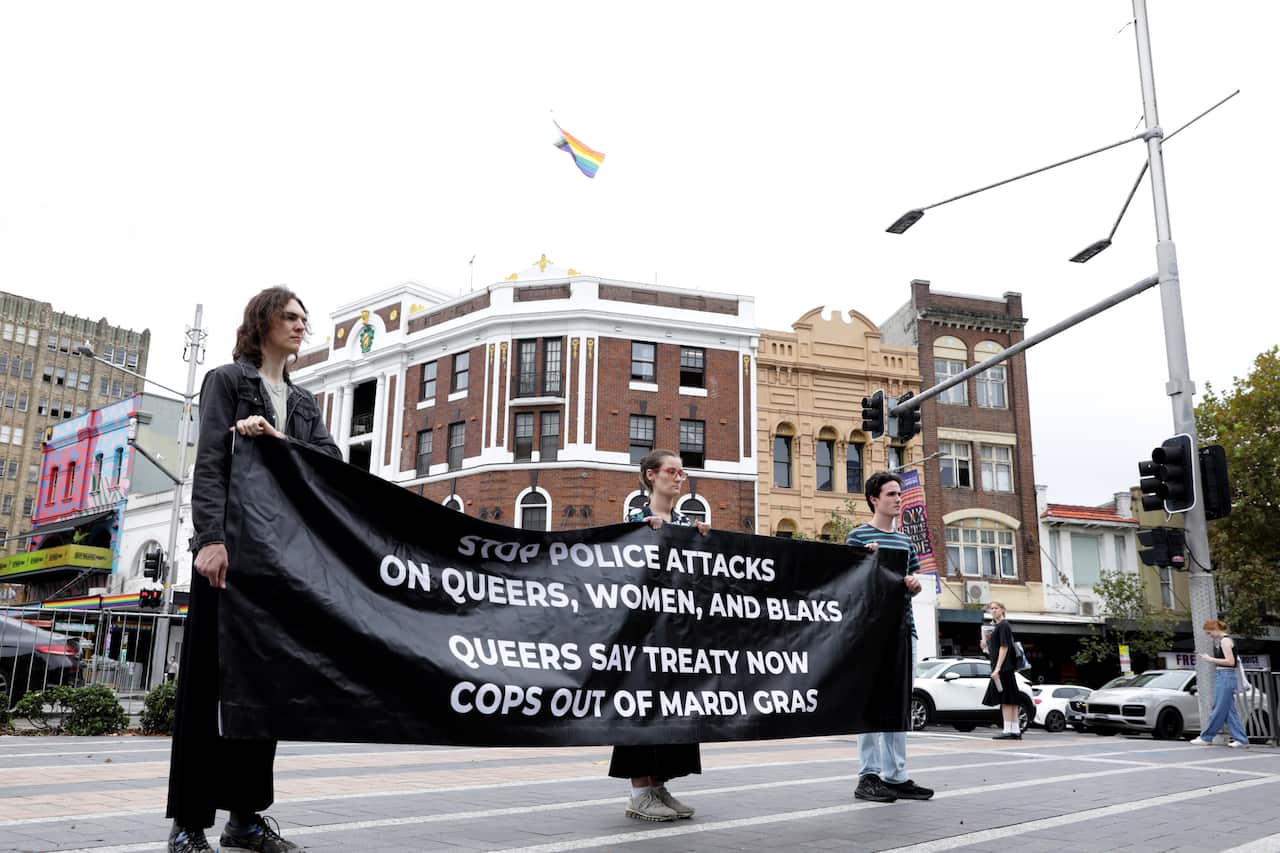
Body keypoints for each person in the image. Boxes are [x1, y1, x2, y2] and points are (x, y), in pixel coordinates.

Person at [165, 287, 340, 853]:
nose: (298, 327)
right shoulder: (225, 381)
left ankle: (244, 819)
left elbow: (330, 467)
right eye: (289, 317)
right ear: (261, 321)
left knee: (262, 692)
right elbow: (210, 465)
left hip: (276, 566)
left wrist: (279, 437)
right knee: (206, 690)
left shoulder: (304, 401)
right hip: (227, 557)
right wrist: (209, 540)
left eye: (303, 321)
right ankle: (189, 824)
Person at [609, 449, 709, 822]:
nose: (679, 478)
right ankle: (639, 790)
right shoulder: (636, 521)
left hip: (678, 636)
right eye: (672, 471)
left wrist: (704, 543)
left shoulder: (687, 524)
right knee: (641, 707)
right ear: (651, 475)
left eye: (682, 473)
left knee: (674, 709)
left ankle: (659, 784)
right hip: (642, 638)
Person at [846, 471, 933, 804]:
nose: (899, 498)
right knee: (870, 703)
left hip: (903, 631)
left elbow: (911, 580)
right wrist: (865, 562)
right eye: (892, 494)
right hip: (869, 633)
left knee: (898, 705)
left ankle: (895, 776)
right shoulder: (857, 537)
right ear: (874, 499)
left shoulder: (906, 542)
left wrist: (915, 584)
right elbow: (848, 585)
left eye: (899, 493)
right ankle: (867, 776)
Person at [1190, 619, 1250, 748]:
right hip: (1224, 676)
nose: (1209, 635)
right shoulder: (1225, 641)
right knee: (1229, 710)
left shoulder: (1225, 641)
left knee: (1218, 708)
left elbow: (1230, 661)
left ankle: (1206, 737)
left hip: (1226, 676)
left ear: (1215, 629)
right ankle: (1241, 740)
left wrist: (1209, 659)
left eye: (1209, 633)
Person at [982, 601, 1022, 740]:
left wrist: (997, 668)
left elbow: (1004, 647)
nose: (993, 611)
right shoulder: (998, 626)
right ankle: (1014, 730)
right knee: (1011, 699)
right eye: (991, 608)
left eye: (996, 608)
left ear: (1003, 610)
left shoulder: (1003, 625)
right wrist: (985, 647)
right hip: (1005, 668)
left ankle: (1008, 730)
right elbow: (996, 648)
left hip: (1003, 669)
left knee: (1006, 700)